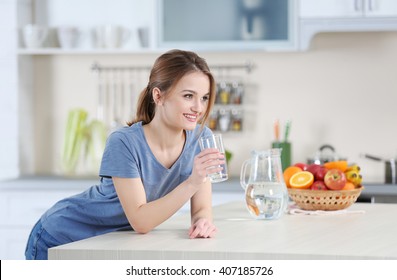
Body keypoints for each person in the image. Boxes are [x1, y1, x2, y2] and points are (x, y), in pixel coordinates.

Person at [25, 49, 223, 260]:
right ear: (158, 95)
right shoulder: (123, 142)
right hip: (62, 237)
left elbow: (201, 208)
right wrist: (193, 182)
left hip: (111, 244)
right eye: (188, 96)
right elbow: (141, 221)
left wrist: (202, 222)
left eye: (204, 98)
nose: (198, 108)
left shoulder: (202, 138)